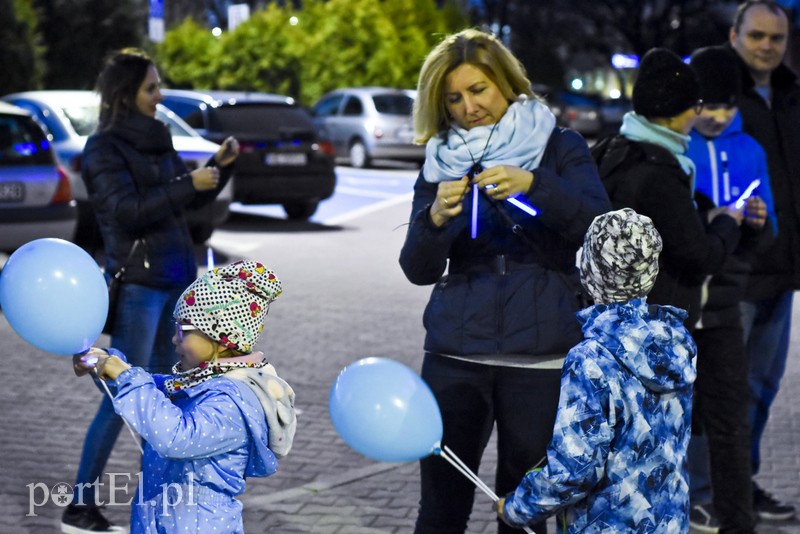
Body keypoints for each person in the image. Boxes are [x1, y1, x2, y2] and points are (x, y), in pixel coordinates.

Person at [399, 28, 611, 534]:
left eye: (479, 90)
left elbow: (601, 229)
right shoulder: (440, 160)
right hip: (455, 355)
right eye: (453, 97)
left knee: (526, 511)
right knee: (441, 509)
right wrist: (434, 220)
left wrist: (535, 186)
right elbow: (417, 269)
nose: (469, 106)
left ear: (507, 85)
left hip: (540, 357)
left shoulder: (560, 145)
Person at [62, 48, 240, 533]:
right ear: (126, 94)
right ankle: (79, 507)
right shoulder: (103, 149)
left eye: (159, 87)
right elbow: (125, 210)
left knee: (164, 396)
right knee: (123, 396)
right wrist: (188, 185)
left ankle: (158, 506)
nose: (160, 97)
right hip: (139, 283)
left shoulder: (158, 137)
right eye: (151, 88)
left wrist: (214, 167)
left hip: (175, 277)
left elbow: (178, 197)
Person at [496, 208, 696, 532]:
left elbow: (574, 471)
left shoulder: (590, 359)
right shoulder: (676, 342)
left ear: (590, 271)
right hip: (668, 523)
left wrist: (518, 507)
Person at [70, 260, 296, 534]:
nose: (173, 340)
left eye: (182, 331)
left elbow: (177, 438)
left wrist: (128, 377)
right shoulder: (199, 382)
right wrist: (108, 367)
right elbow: (147, 394)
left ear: (222, 336)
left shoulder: (234, 401)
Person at [685, 45, 776, 534]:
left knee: (727, 406)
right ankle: (690, 494)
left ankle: (729, 505)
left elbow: (769, 225)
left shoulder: (750, 149)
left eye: (727, 105)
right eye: (707, 105)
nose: (717, 116)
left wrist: (758, 222)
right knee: (686, 405)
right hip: (682, 294)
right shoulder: (681, 146)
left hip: (728, 294)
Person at [592, 47, 744, 330]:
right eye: (697, 106)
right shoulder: (659, 173)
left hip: (610, 318)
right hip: (655, 325)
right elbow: (699, 256)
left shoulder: (611, 150)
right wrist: (728, 222)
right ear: (678, 113)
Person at [728, 0, 799, 520]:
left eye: (776, 38)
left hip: (783, 268)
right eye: (757, 36)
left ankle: (742, 483)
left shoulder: (793, 95)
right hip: (733, 271)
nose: (767, 46)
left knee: (762, 385)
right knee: (723, 389)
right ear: (735, 36)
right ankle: (711, 490)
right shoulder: (718, 94)